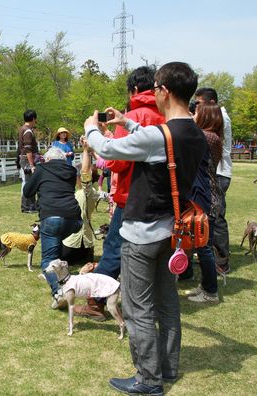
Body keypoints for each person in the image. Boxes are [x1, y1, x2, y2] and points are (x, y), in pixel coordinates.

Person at [85, 62, 208, 395]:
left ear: (165, 91)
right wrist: (128, 123)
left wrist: (91, 129)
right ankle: (167, 368)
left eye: (155, 87)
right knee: (167, 303)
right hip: (174, 232)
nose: (153, 92)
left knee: (138, 308)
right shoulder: (194, 132)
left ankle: (148, 379)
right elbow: (161, 146)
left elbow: (109, 150)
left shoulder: (162, 135)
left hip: (141, 233)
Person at [75, 66, 165, 320]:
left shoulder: (133, 115)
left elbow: (118, 161)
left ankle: (96, 302)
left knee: (114, 248)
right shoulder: (166, 115)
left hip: (131, 195)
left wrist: (104, 143)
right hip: (161, 199)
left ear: (134, 89)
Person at [23, 147, 82, 309]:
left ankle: (58, 292)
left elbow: (27, 192)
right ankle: (61, 274)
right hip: (75, 220)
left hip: (52, 217)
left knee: (48, 260)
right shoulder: (70, 170)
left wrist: (36, 173)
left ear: (47, 159)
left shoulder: (42, 168)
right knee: (56, 243)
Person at [183, 103, 224, 303]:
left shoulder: (208, 137)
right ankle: (203, 285)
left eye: (197, 113)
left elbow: (188, 132)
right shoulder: (210, 136)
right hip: (206, 196)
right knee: (199, 243)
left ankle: (211, 291)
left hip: (208, 199)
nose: (193, 115)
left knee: (204, 246)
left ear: (206, 116)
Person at [194, 87, 232, 274]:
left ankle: (221, 262)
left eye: (198, 103)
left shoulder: (219, 119)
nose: (196, 107)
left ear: (210, 103)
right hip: (214, 171)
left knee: (216, 220)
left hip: (218, 173)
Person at [60, 139, 101, 266]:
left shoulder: (86, 191)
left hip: (74, 243)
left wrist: (85, 150)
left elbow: (85, 174)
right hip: (87, 244)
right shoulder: (91, 192)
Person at [18, 109, 40, 213]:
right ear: (33, 119)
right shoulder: (27, 131)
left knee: (30, 182)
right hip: (27, 160)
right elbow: (28, 149)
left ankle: (31, 205)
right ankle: (26, 206)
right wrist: (31, 165)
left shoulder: (23, 128)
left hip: (24, 159)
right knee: (29, 183)